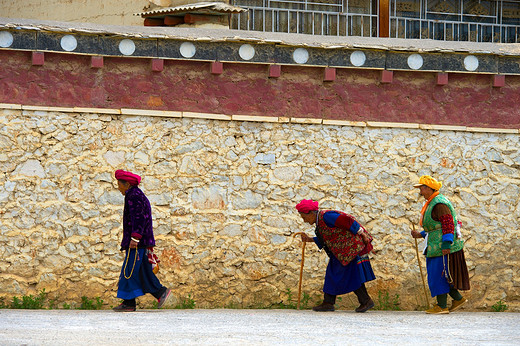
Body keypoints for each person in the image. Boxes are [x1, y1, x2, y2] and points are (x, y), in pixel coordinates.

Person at [296, 199, 376, 312]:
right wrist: (310, 240)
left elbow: (347, 221)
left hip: (350, 248)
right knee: (332, 272)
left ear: (311, 213)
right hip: (341, 250)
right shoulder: (320, 221)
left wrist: (362, 233)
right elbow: (329, 237)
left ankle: (365, 301)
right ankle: (328, 302)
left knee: (350, 274)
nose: (304, 220)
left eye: (304, 217)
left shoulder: (327, 216)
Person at [113, 169, 172, 312]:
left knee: (129, 270)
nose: (118, 187)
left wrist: (134, 238)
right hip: (140, 241)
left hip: (137, 242)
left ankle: (129, 303)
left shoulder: (133, 196)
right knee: (141, 271)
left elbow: (139, 218)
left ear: (126, 184)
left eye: (119, 184)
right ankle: (159, 293)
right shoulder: (134, 195)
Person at [411, 175, 470, 314]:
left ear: (429, 188)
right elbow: (435, 227)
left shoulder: (439, 204)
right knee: (441, 275)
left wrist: (446, 243)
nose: (420, 192)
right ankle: (458, 299)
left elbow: (448, 223)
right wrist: (420, 234)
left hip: (441, 247)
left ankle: (442, 306)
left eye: (422, 189)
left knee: (439, 274)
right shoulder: (433, 202)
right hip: (435, 245)